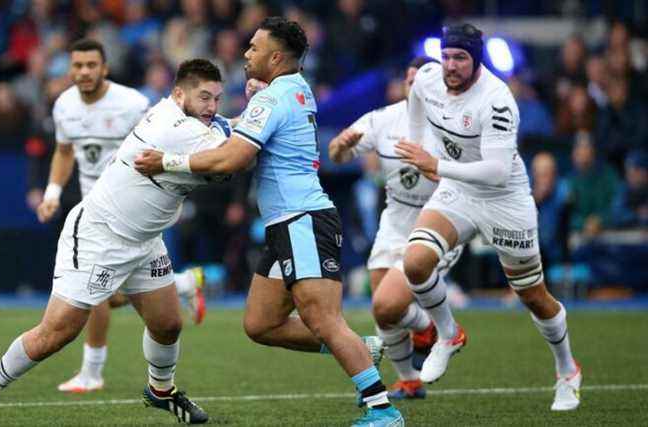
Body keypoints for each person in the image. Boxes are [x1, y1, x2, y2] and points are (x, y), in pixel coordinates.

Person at [136, 17, 403, 427]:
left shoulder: (272, 98)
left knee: (324, 320)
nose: (246, 53)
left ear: (275, 57)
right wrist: (231, 118)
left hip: (302, 220)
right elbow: (247, 133)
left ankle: (382, 409)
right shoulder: (294, 89)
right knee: (260, 323)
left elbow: (234, 158)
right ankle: (360, 349)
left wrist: (168, 161)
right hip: (287, 224)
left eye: (254, 47)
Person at [0, 58, 233, 426]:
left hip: (144, 238)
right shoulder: (175, 126)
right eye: (204, 98)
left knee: (168, 322)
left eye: (218, 99)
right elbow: (230, 158)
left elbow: (224, 141)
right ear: (178, 94)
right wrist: (262, 114)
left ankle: (161, 390)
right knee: (57, 333)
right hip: (100, 234)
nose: (212, 108)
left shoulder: (192, 121)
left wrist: (228, 126)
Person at [394, 23, 581, 411]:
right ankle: (448, 334)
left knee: (532, 295)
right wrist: (415, 145)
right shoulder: (428, 77)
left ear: (477, 59)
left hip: (503, 198)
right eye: (446, 56)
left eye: (460, 57)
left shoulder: (496, 100)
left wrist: (436, 165)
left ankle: (567, 370)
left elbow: (496, 171)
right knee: (415, 262)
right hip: (459, 190)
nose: (450, 65)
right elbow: (414, 97)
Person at [36, 38, 207, 394]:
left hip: (132, 209)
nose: (83, 72)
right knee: (108, 295)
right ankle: (185, 285)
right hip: (94, 208)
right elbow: (64, 151)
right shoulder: (64, 106)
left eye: (90, 65)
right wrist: (52, 193)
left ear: (105, 69)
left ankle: (92, 373)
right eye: (77, 65)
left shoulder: (132, 103)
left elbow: (170, 135)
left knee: (95, 294)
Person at [328, 56, 464, 401]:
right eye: (409, 78)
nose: (413, 84)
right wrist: (342, 147)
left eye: (422, 79)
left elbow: (476, 179)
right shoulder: (383, 119)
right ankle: (409, 380)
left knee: (386, 305)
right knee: (386, 310)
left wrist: (437, 169)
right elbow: (336, 156)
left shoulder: (456, 124)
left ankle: (430, 327)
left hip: (440, 220)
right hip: (395, 220)